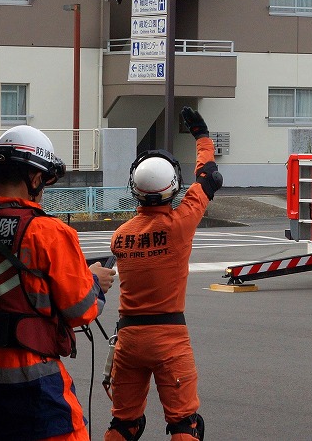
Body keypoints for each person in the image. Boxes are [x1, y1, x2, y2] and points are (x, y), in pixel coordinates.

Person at [0, 125, 116, 441]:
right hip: (34, 388)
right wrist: (95, 282)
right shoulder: (50, 233)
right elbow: (80, 310)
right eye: (44, 181)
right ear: (35, 179)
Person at [104, 107, 223, 441]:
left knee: (124, 423)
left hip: (128, 339)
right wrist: (201, 137)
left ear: (134, 188)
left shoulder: (120, 236)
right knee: (185, 423)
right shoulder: (180, 224)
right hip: (169, 337)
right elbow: (210, 178)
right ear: (173, 187)